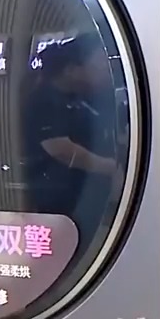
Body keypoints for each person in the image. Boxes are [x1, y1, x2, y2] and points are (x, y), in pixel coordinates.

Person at [22, 38, 118, 244]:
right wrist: (112, 168)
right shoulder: (44, 99)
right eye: (98, 64)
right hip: (59, 201)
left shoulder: (80, 98)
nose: (104, 70)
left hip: (84, 196)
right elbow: (60, 149)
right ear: (71, 69)